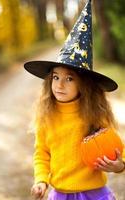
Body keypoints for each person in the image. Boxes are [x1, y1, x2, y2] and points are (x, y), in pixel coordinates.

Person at [24, 0, 125, 199]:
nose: (60, 85)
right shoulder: (47, 116)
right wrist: (41, 180)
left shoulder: (93, 114)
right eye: (55, 77)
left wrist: (119, 165)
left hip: (95, 194)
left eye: (69, 78)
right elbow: (42, 153)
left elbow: (118, 147)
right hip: (60, 194)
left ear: (84, 85)